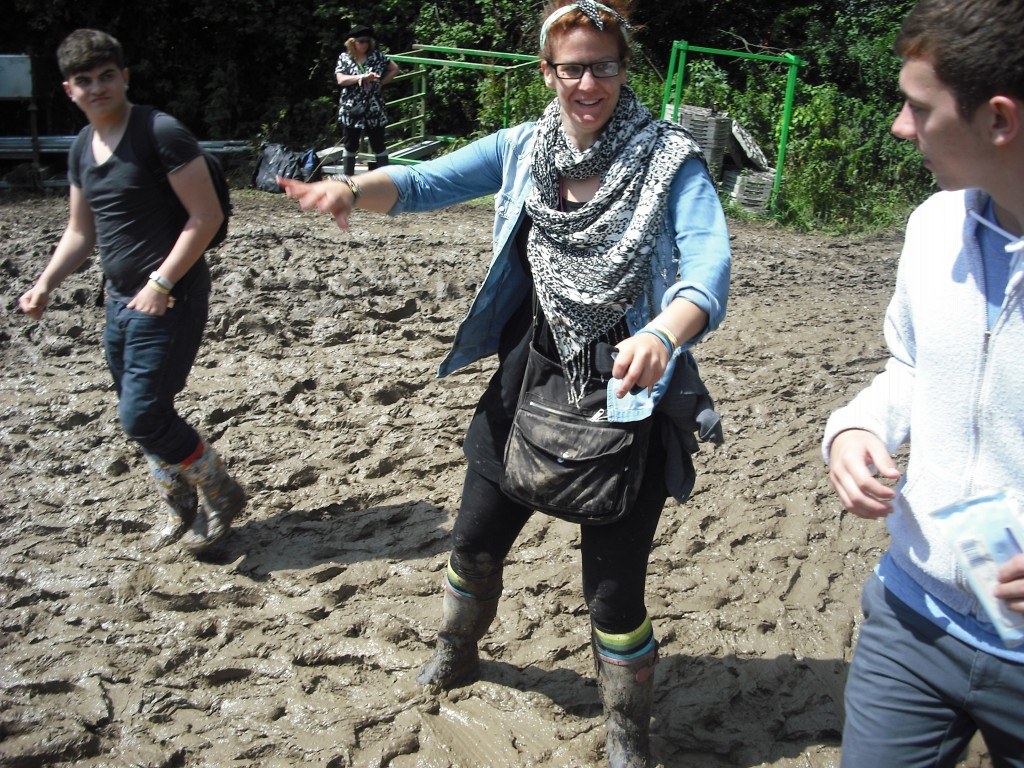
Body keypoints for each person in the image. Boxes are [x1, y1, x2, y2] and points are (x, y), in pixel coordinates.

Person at [281, 1, 729, 765]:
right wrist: (352, 191)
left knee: (614, 594)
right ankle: (459, 651)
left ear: (624, 68)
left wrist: (663, 332)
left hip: (630, 392)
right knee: (474, 541)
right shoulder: (526, 148)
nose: (589, 82)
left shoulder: (669, 160)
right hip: (524, 382)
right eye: (572, 67)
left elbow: (708, 267)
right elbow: (423, 183)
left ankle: (627, 733)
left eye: (604, 65)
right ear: (547, 72)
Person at [822, 1, 1024, 765]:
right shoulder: (932, 226)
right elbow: (909, 365)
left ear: (998, 119)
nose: (900, 128)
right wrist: (855, 428)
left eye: (917, 107)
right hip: (912, 619)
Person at [18, 29, 246, 555]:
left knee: (141, 415)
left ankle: (220, 490)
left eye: (106, 76)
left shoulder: (159, 132)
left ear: (124, 78)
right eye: (84, 81)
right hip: (120, 300)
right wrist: (45, 283)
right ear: (68, 89)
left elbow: (205, 216)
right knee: (141, 411)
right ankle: (181, 502)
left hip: (170, 296)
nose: (97, 88)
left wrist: (161, 282)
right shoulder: (82, 146)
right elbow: (82, 231)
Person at [334, 23, 400, 176]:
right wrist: (362, 77)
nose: (365, 44)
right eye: (361, 41)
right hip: (352, 107)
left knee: (378, 143)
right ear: (352, 42)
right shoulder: (345, 58)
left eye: (367, 41)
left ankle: (385, 179)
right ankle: (348, 179)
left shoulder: (377, 56)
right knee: (350, 144)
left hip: (374, 107)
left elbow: (395, 68)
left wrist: (381, 82)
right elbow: (340, 79)